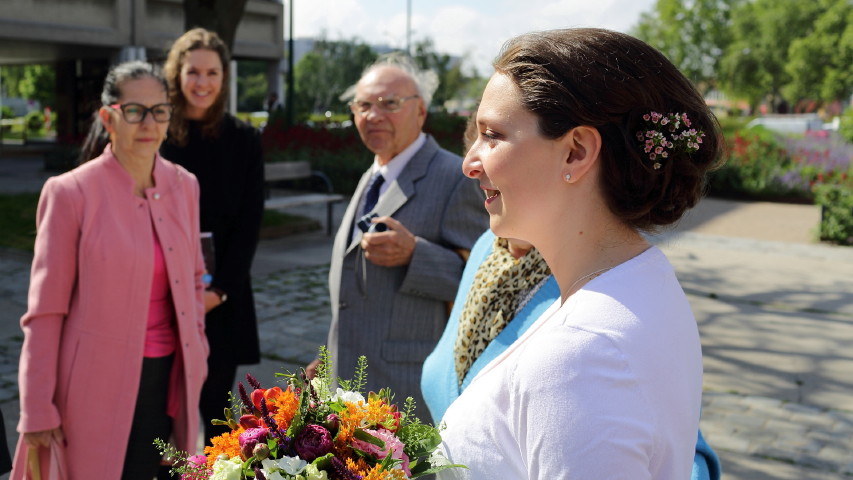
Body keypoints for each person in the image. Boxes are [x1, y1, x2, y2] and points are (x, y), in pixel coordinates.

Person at [436, 28, 723, 479]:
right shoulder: (640, 278)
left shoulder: (583, 355)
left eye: (492, 135)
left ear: (576, 152)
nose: (469, 161)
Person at [11, 60, 208, 480]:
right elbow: (45, 313)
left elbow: (194, 278)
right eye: (134, 110)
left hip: (167, 380)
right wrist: (36, 406)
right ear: (108, 117)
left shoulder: (185, 185)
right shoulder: (70, 193)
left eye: (159, 110)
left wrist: (200, 349)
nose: (148, 122)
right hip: (90, 389)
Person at [307, 54, 488, 417]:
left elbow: (483, 285)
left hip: (404, 389)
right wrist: (328, 356)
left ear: (420, 111)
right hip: (347, 385)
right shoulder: (372, 175)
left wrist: (415, 255)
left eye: (389, 104)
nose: (373, 116)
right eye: (363, 105)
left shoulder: (455, 178)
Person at [160, 28, 265, 442]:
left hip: (218, 300)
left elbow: (248, 225)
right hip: (160, 297)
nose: (202, 83)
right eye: (193, 72)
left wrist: (217, 292)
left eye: (212, 73)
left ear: (224, 77)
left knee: (215, 419)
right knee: (160, 422)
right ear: (176, 74)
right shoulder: (157, 134)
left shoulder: (243, 140)